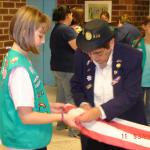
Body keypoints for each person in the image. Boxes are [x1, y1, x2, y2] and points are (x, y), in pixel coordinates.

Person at [0, 6, 77, 150]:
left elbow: (25, 100)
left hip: (24, 138)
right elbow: (26, 116)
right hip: (25, 141)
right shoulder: (20, 70)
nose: (42, 42)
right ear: (24, 32)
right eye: (40, 35)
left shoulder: (15, 58)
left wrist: (50, 106)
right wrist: (62, 118)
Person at [71, 19, 147, 150]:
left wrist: (99, 111)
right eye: (89, 52)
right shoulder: (81, 55)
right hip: (94, 129)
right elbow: (76, 84)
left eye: (98, 52)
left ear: (111, 43)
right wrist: (83, 103)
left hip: (125, 125)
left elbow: (131, 94)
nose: (93, 57)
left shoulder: (131, 56)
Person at [50, 5, 78, 137]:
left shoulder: (56, 29)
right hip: (67, 68)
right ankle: (74, 130)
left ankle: (61, 123)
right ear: (67, 15)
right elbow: (77, 47)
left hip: (57, 68)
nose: (72, 16)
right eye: (71, 14)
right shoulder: (67, 30)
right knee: (70, 97)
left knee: (61, 97)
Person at [133, 16, 150, 125]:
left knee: (149, 105)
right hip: (138, 79)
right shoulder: (137, 42)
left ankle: (147, 124)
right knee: (137, 103)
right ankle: (138, 123)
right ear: (144, 27)